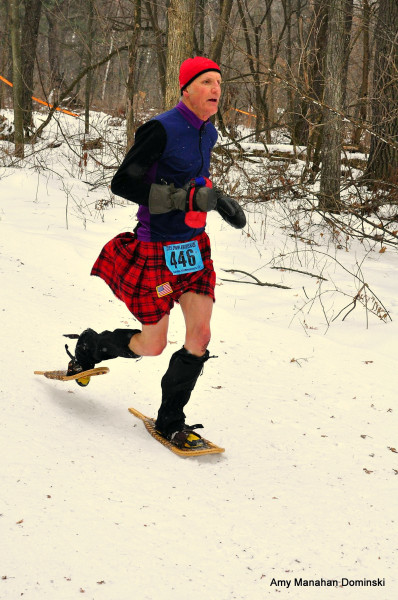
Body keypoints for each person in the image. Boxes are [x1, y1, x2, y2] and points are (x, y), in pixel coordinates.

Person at [65, 57, 246, 449]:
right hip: (158, 250)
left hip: (194, 249)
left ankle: (171, 422)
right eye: (207, 82)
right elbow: (122, 183)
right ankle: (92, 346)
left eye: (219, 82)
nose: (216, 89)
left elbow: (193, 177)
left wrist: (216, 198)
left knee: (200, 335)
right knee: (153, 345)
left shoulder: (208, 131)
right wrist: (185, 198)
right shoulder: (160, 129)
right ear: (186, 88)